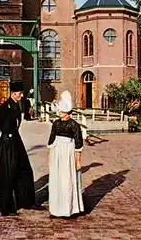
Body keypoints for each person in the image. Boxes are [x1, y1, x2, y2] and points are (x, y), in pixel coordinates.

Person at [0, 80, 39, 216]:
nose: (21, 96)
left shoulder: (17, 106)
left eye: (22, 93)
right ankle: (7, 208)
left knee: (25, 170)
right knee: (7, 174)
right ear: (12, 93)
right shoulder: (4, 108)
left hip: (17, 141)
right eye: (19, 93)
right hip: (6, 143)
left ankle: (27, 201)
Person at [47, 90, 84, 218]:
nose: (60, 114)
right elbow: (51, 141)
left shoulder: (74, 125)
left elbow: (78, 144)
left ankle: (69, 207)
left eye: (62, 112)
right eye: (60, 112)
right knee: (57, 178)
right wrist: (49, 157)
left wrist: (78, 161)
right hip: (57, 152)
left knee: (67, 178)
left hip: (68, 153)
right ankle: (56, 208)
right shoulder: (56, 123)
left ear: (68, 113)